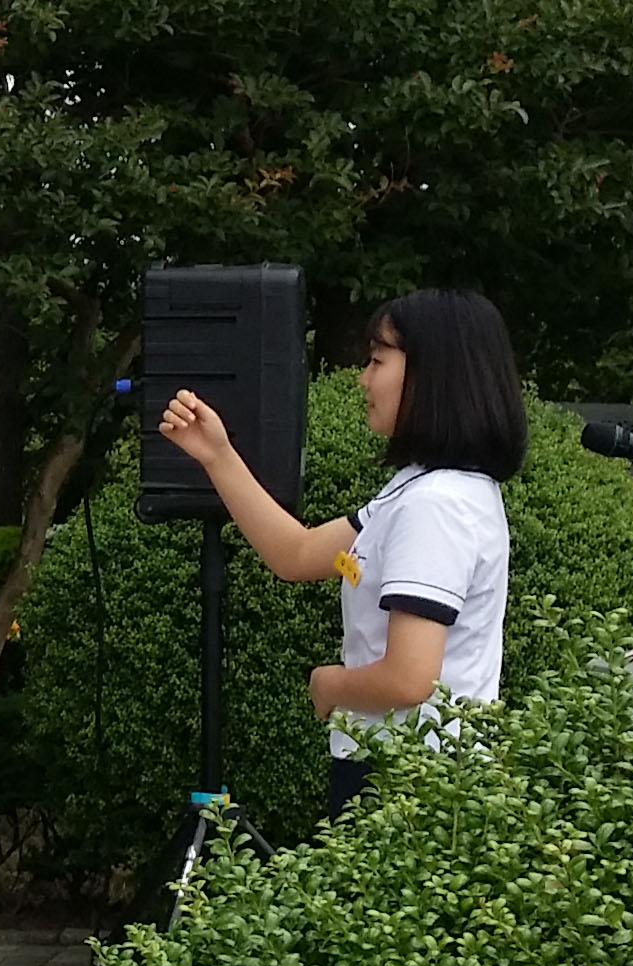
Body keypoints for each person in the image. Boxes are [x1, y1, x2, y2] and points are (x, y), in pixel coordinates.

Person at [155, 289, 525, 816]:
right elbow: (298, 552)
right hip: (410, 769)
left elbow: (408, 678)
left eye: (377, 360)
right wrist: (217, 455)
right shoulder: (417, 491)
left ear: (433, 375)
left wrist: (329, 684)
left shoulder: (436, 506)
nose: (363, 378)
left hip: (411, 778)